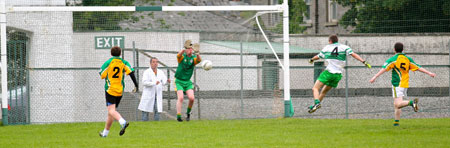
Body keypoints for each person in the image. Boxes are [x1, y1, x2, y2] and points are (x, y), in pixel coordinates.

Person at [369, 42, 435, 126]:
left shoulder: (393, 59)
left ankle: (412, 102)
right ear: (403, 49)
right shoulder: (408, 59)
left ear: (394, 50)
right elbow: (418, 67)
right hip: (405, 84)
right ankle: (396, 123)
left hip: (397, 84)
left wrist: (375, 76)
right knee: (396, 104)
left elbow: (384, 68)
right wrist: (429, 73)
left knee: (398, 104)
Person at [308, 34, 371, 113]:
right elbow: (353, 54)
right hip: (338, 75)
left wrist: (311, 60)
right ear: (337, 41)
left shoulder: (327, 48)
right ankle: (315, 106)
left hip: (329, 73)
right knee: (323, 92)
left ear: (330, 41)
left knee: (315, 88)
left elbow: (319, 56)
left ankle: (317, 103)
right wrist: (364, 61)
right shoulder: (344, 47)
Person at [98, 46, 139, 137]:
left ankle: (122, 122)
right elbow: (131, 73)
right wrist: (136, 85)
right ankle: (105, 133)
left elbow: (101, 74)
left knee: (111, 110)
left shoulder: (108, 62)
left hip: (110, 89)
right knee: (111, 112)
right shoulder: (124, 62)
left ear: (111, 53)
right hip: (120, 90)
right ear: (120, 54)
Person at [175, 40, 201, 122]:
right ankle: (178, 116)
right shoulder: (182, 57)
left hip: (187, 82)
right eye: (188, 48)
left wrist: (197, 53)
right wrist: (184, 49)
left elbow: (199, 60)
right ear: (186, 49)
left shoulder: (193, 58)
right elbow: (178, 55)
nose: (190, 50)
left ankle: (188, 113)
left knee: (192, 98)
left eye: (191, 48)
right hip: (179, 81)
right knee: (181, 98)